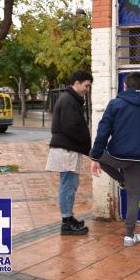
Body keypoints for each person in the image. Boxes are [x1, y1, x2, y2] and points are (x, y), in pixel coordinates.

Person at [89, 73, 140, 247]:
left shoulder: (115, 104)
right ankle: (129, 236)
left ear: (125, 86)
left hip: (118, 156)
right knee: (134, 197)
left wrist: (94, 155)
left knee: (96, 154)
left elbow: (103, 130)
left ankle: (121, 180)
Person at [46, 70, 93, 236]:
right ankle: (66, 222)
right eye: (86, 85)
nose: (87, 89)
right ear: (77, 83)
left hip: (69, 149)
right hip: (66, 150)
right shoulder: (68, 100)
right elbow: (71, 127)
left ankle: (69, 218)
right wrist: (87, 146)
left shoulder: (71, 99)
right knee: (68, 186)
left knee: (70, 185)